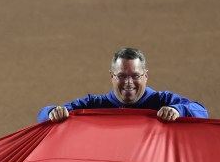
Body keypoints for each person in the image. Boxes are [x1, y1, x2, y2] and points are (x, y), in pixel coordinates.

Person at [37, 47, 208, 123]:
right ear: (112, 76)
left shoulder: (163, 101)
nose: (128, 82)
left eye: (135, 76)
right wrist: (53, 112)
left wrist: (179, 110)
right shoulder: (95, 105)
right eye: (122, 76)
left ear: (146, 76)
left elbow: (202, 112)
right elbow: (43, 115)